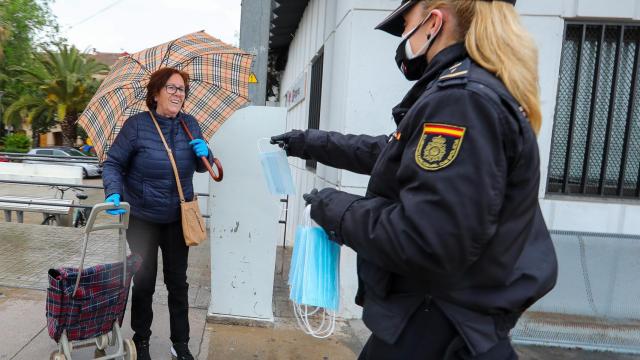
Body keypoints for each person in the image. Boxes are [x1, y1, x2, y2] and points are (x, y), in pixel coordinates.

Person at [271, 0, 558, 358]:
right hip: (446, 319)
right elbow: (392, 153)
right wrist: (308, 143)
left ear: (434, 23)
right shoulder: (468, 92)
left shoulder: (462, 101)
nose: (404, 37)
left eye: (406, 26)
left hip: (438, 329)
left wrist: (336, 209)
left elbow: (428, 238)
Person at [102, 67, 213, 360]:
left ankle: (181, 344)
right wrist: (113, 191)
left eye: (182, 89)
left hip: (178, 218)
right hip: (142, 218)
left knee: (178, 282)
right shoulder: (136, 126)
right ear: (156, 93)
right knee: (144, 282)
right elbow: (113, 163)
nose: (179, 94)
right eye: (172, 88)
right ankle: (142, 341)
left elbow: (203, 166)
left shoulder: (190, 124)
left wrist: (207, 152)